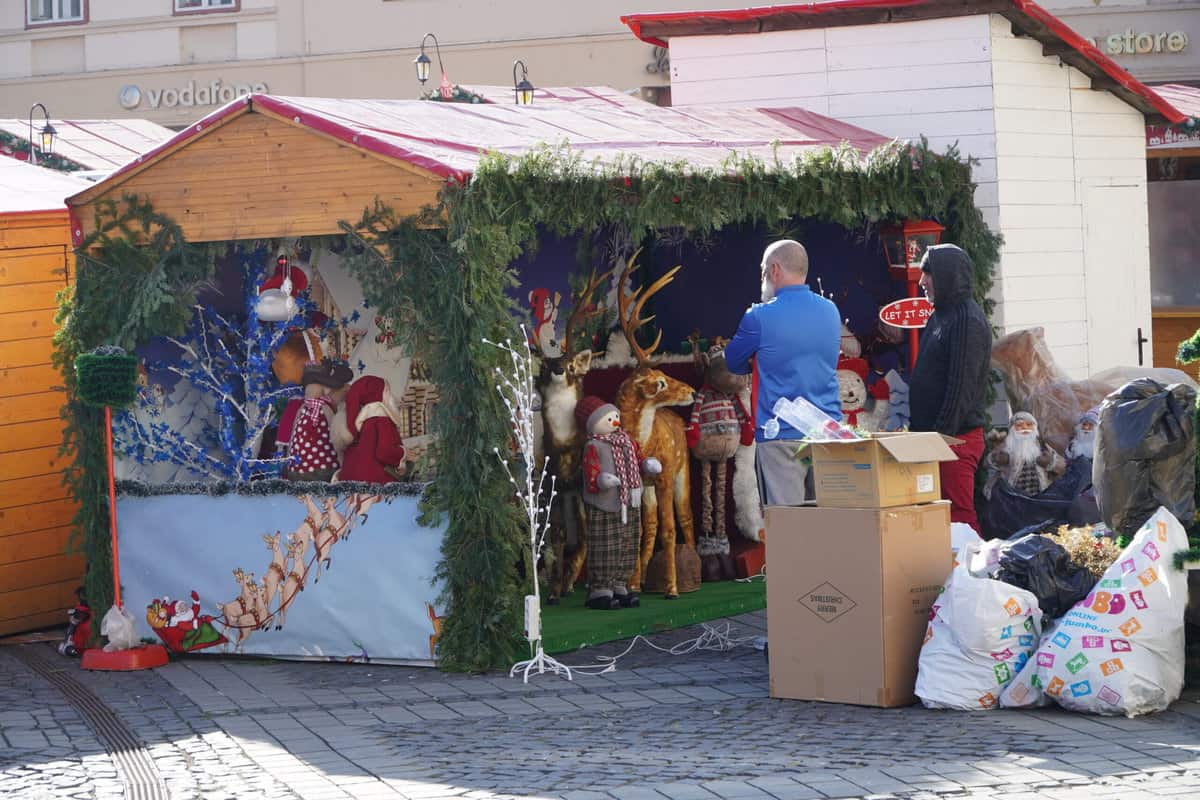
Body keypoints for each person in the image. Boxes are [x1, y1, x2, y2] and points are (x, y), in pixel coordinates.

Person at [725, 239, 841, 505]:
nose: (763, 277)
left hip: (780, 435)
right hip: (828, 432)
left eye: (764, 270)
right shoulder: (831, 311)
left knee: (788, 529)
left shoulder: (758, 316)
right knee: (832, 523)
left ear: (774, 270)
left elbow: (733, 362)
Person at [909, 244, 992, 528]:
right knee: (937, 516)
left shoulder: (967, 321)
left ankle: (973, 571)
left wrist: (939, 441)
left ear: (946, 275)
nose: (921, 281)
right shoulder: (942, 315)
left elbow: (961, 388)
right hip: (937, 440)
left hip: (954, 440)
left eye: (927, 273)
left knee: (958, 517)